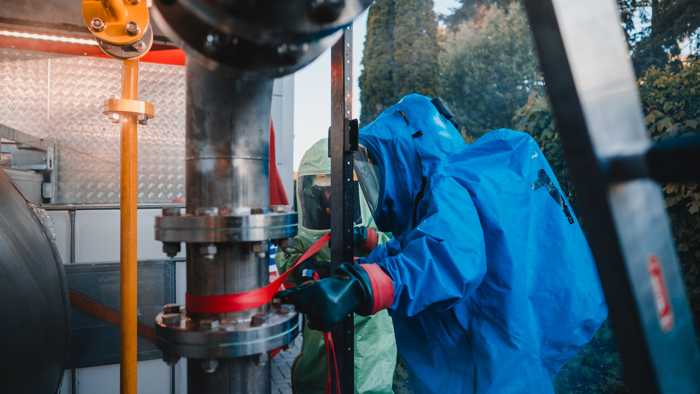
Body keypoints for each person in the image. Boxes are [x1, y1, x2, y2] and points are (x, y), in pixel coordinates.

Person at [278, 94, 608, 394]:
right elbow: (420, 246)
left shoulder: (447, 184)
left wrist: (360, 286)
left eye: (370, 167)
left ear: (401, 154)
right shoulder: (449, 189)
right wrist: (373, 251)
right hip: (501, 353)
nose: (368, 183)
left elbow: (453, 257)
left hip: (491, 367)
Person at [276, 138, 397, 394]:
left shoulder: (375, 218)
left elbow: (397, 256)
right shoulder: (308, 226)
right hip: (320, 335)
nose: (330, 195)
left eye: (336, 187)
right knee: (316, 381)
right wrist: (302, 268)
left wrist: (369, 241)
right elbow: (291, 256)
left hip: (369, 335)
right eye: (323, 188)